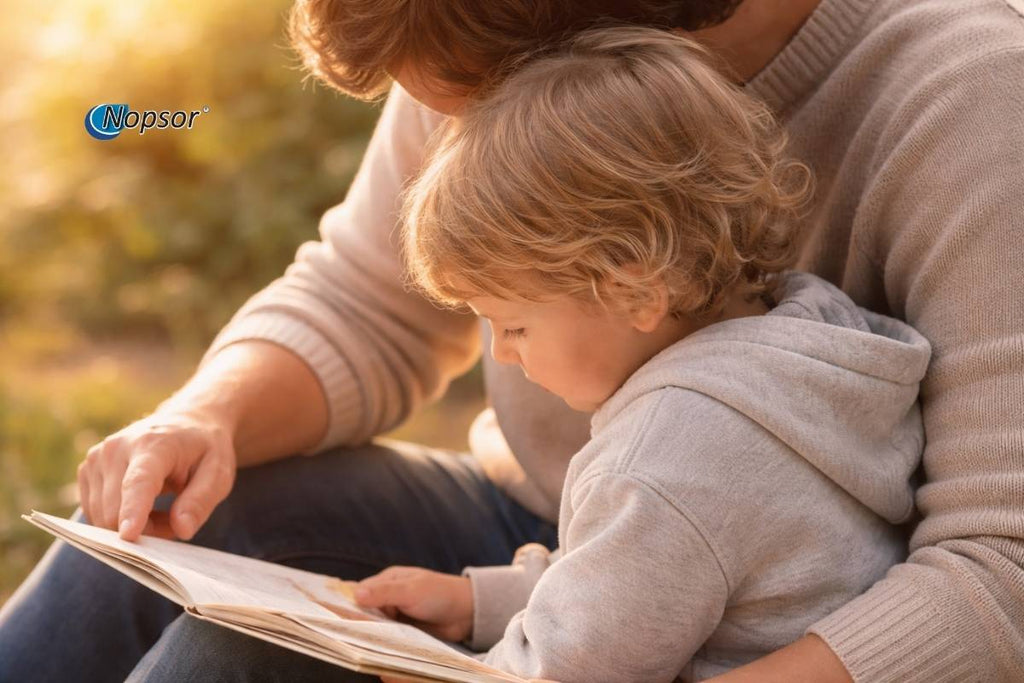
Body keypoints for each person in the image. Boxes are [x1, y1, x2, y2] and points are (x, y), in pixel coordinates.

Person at [0, 1, 1021, 681]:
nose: (448, 122)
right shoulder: (475, 35)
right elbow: (366, 299)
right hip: (564, 538)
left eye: (474, 101)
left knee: (234, 660)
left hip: (775, 620)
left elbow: (998, 569)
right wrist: (204, 416)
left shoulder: (971, 96)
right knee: (168, 525)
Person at [348, 27, 932, 682]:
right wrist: (479, 601)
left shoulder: (666, 455)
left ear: (635, 292)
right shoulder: (808, 343)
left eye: (513, 327)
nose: (502, 355)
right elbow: (650, 580)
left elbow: (565, 667)